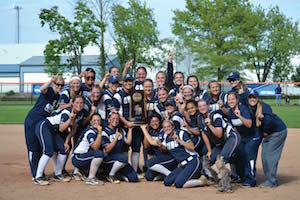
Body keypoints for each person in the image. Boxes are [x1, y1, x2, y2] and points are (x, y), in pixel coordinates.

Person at [34, 95, 84, 185]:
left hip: (54, 130)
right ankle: (38, 177)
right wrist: (70, 119)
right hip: (45, 126)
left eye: (81, 103)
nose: (79, 105)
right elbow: (61, 128)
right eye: (77, 102)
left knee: (63, 149)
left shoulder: (78, 114)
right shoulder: (66, 113)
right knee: (48, 151)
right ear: (72, 104)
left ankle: (58, 174)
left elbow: (73, 130)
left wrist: (66, 142)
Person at [24, 75, 64, 181]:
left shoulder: (57, 97)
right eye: (58, 84)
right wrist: (50, 81)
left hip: (42, 122)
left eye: (62, 85)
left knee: (42, 147)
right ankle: (35, 175)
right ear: (53, 84)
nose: (59, 87)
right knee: (33, 148)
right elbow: (42, 89)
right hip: (32, 121)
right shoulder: (49, 90)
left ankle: (39, 172)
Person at [197, 99, 241, 192]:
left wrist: (210, 125)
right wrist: (209, 150)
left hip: (231, 137)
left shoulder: (215, 116)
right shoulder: (200, 118)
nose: (202, 108)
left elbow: (219, 134)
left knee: (221, 160)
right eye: (200, 106)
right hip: (220, 143)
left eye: (204, 105)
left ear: (208, 106)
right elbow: (204, 134)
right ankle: (220, 179)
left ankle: (226, 186)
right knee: (209, 159)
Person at [248, 90, 287, 188]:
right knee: (264, 156)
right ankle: (270, 179)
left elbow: (270, 121)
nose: (252, 99)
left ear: (258, 98)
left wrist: (263, 120)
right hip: (269, 133)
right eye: (250, 97)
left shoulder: (264, 107)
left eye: (254, 97)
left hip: (277, 132)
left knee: (270, 157)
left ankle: (272, 181)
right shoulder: (251, 108)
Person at [159, 120, 207, 188]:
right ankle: (189, 176)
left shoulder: (180, 133)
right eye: (165, 127)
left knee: (178, 184)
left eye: (169, 126)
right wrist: (159, 144)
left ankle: (203, 181)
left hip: (192, 161)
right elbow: (164, 147)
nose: (167, 128)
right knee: (167, 181)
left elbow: (192, 147)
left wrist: (179, 141)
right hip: (183, 165)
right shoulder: (166, 138)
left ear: (173, 127)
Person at [227, 92, 260, 187]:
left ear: (237, 100)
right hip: (243, 137)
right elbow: (234, 128)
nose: (231, 101)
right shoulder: (230, 112)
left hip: (253, 136)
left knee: (249, 155)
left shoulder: (243, 109)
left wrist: (240, 116)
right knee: (239, 154)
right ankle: (242, 177)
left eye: (233, 99)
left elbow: (249, 124)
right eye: (229, 100)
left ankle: (251, 180)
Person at [101, 111, 138, 183]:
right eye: (113, 118)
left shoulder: (120, 130)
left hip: (119, 159)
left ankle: (117, 174)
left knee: (134, 178)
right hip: (108, 159)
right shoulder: (104, 132)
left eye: (117, 119)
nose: (115, 120)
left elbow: (128, 142)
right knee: (124, 157)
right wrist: (115, 139)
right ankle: (111, 175)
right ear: (108, 120)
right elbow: (107, 149)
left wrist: (130, 129)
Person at [141, 114, 178, 181]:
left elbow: (153, 142)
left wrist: (144, 130)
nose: (154, 123)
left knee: (149, 163)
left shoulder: (163, 130)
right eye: (152, 121)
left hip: (169, 158)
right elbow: (146, 146)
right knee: (148, 176)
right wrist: (147, 131)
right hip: (159, 159)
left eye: (156, 121)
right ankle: (162, 175)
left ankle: (170, 175)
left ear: (160, 122)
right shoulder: (151, 131)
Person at [72, 114, 104, 185]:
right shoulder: (91, 132)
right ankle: (90, 178)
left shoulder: (93, 130)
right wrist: (99, 133)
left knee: (100, 154)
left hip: (81, 156)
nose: (96, 122)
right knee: (99, 154)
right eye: (94, 120)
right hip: (78, 157)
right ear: (90, 122)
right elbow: (95, 147)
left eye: (98, 120)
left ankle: (80, 171)